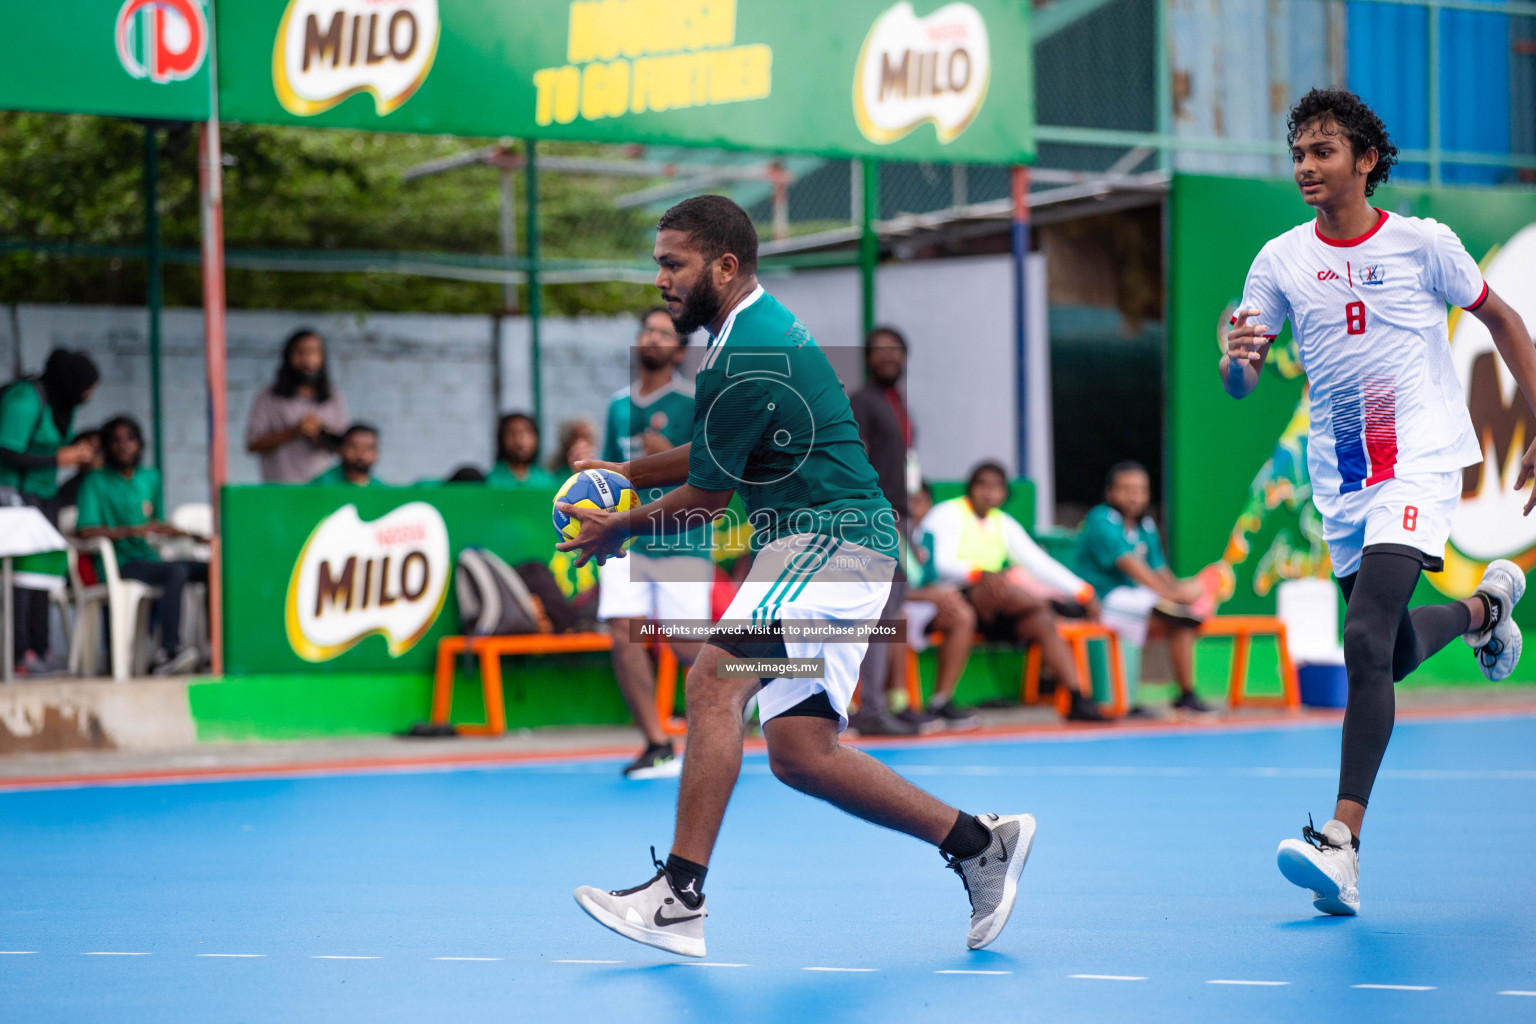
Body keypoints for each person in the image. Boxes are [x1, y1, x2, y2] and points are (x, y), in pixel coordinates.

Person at [559, 195, 1034, 958]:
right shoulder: (743, 337)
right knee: (801, 753)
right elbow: (716, 448)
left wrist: (619, 524)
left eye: (672, 263)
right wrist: (625, 471)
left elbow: (709, 500)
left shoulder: (747, 350)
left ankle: (679, 897)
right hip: (836, 556)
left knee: (713, 681)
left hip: (827, 548)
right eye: (658, 264)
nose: (660, 280)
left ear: (724, 264)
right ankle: (980, 843)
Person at [1222, 88, 1533, 917]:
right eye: (1297, 154)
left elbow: (1500, 319)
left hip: (1421, 463)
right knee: (1384, 656)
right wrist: (1236, 358)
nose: (1305, 168)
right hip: (1343, 481)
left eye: (1323, 152)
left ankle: (1342, 843)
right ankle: (1482, 610)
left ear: (1365, 160)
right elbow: (1241, 377)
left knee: (1360, 636)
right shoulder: (1280, 259)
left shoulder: (1425, 244)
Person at [595, 307, 712, 779]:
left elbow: (711, 470)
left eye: (665, 332)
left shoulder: (693, 401)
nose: (654, 337)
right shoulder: (617, 405)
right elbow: (606, 473)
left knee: (687, 645)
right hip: (626, 538)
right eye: (648, 329)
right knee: (623, 635)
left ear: (680, 350)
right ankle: (657, 743)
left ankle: (747, 689)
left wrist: (663, 455)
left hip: (682, 536)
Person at [920, 462, 1109, 722]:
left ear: (1004, 493)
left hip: (997, 606)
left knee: (1042, 621)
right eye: (982, 485)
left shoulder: (1003, 523)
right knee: (1002, 585)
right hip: (952, 598)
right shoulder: (947, 513)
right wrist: (978, 573)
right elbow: (937, 562)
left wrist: (1083, 592)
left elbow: (1038, 562)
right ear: (970, 488)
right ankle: (1050, 604)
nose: (989, 493)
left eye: (996, 487)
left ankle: (1078, 699)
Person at [1075, 461, 1214, 715]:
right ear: (1110, 492)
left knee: (1181, 617)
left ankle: (1187, 695)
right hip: (1103, 601)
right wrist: (1173, 595)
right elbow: (1130, 564)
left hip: (1137, 599)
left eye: (1140, 490)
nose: (1134, 496)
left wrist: (1180, 590)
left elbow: (1159, 570)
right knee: (1179, 617)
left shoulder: (1146, 527)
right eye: (1126, 489)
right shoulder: (1100, 520)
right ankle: (1126, 699)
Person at [75, 416, 208, 676]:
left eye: (130, 438)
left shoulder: (150, 477)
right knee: (175, 572)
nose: (124, 446)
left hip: (149, 558)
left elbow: (155, 523)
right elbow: (85, 530)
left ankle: (216, 647)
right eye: (116, 440)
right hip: (120, 563)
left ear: (140, 443)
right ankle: (168, 652)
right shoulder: (95, 481)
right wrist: (130, 531)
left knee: (211, 569)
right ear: (107, 446)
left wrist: (189, 535)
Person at [0, 349, 99, 673]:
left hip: (43, 498)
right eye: (87, 387)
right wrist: (60, 459)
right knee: (20, 579)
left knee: (42, 575)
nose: (89, 395)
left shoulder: (62, 405)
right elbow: (6, 452)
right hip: (12, 499)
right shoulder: (25, 399)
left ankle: (40, 649)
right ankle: (18, 656)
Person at [847, 326, 924, 735]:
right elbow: (856, 461)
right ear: (867, 359)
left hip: (901, 517)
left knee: (893, 612)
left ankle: (886, 703)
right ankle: (872, 710)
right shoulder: (863, 401)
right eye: (880, 350)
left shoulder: (898, 403)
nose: (889, 357)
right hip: (881, 517)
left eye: (896, 349)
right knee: (880, 614)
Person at [899, 480, 980, 729]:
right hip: (893, 608)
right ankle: (899, 704)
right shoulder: (888, 534)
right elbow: (885, 591)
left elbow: (928, 581)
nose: (914, 507)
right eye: (908, 500)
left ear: (929, 505)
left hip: (919, 607)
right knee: (896, 618)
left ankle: (940, 701)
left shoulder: (929, 538)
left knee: (961, 615)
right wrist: (928, 596)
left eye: (920, 501)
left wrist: (941, 595)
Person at [245, 329, 349, 483]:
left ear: (322, 358)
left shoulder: (333, 396)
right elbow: (252, 444)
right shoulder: (269, 396)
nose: (307, 359)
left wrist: (321, 435)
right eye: (300, 352)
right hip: (279, 488)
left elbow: (344, 445)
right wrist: (295, 430)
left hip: (321, 488)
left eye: (313, 352)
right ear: (288, 357)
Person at [487, 413, 560, 489]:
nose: (519, 439)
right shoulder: (490, 480)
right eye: (512, 433)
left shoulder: (548, 480)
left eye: (526, 432)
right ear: (501, 439)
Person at [309, 424, 384, 487]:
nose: (361, 453)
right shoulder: (322, 485)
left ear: (376, 453)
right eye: (354, 446)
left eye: (369, 448)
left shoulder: (381, 490)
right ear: (341, 449)